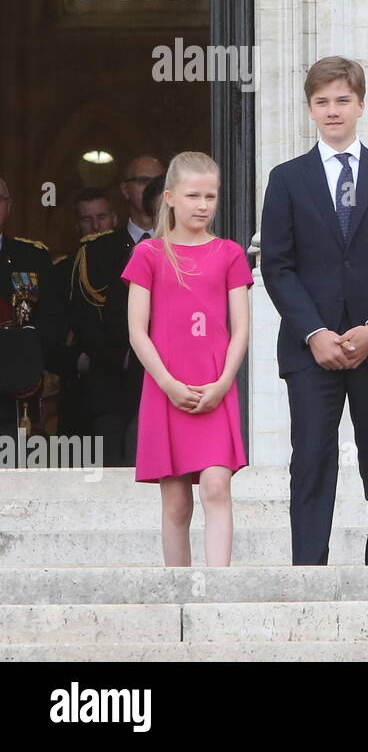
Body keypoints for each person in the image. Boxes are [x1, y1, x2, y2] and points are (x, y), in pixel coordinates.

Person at [260, 56, 368, 566]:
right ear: (310, 108)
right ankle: (308, 572)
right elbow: (277, 266)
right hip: (312, 351)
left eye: (342, 100)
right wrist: (314, 332)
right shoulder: (286, 179)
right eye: (322, 101)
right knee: (310, 462)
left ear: (361, 105)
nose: (333, 110)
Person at [122, 152, 252, 567]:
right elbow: (137, 331)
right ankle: (179, 591)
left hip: (214, 387)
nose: (202, 205)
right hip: (167, 389)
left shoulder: (230, 253)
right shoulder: (149, 255)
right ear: (170, 197)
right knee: (176, 501)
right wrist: (167, 384)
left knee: (217, 485)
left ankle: (218, 590)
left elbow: (241, 329)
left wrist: (223, 382)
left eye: (210, 196)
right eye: (193, 195)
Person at [69, 171, 165, 466]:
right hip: (114, 382)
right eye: (141, 178)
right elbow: (88, 320)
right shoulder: (100, 249)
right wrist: (123, 358)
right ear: (125, 189)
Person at [0, 176, 58, 446]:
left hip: (20, 387)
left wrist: (31, 351)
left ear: (9, 206)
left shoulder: (30, 256)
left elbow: (51, 317)